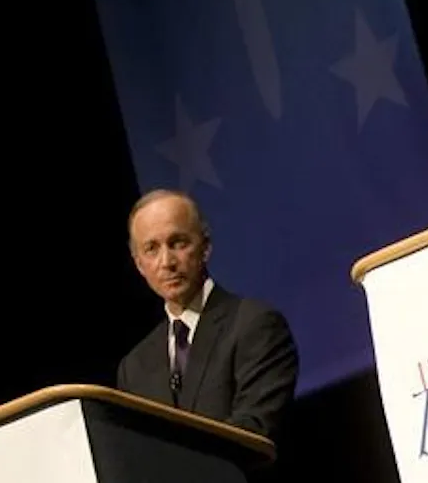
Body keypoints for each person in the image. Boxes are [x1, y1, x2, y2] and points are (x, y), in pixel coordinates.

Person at [117, 189, 300, 441]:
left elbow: (255, 430)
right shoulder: (134, 368)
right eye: (151, 249)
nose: (166, 261)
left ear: (205, 247)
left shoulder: (255, 325)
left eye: (178, 243)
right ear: (139, 264)